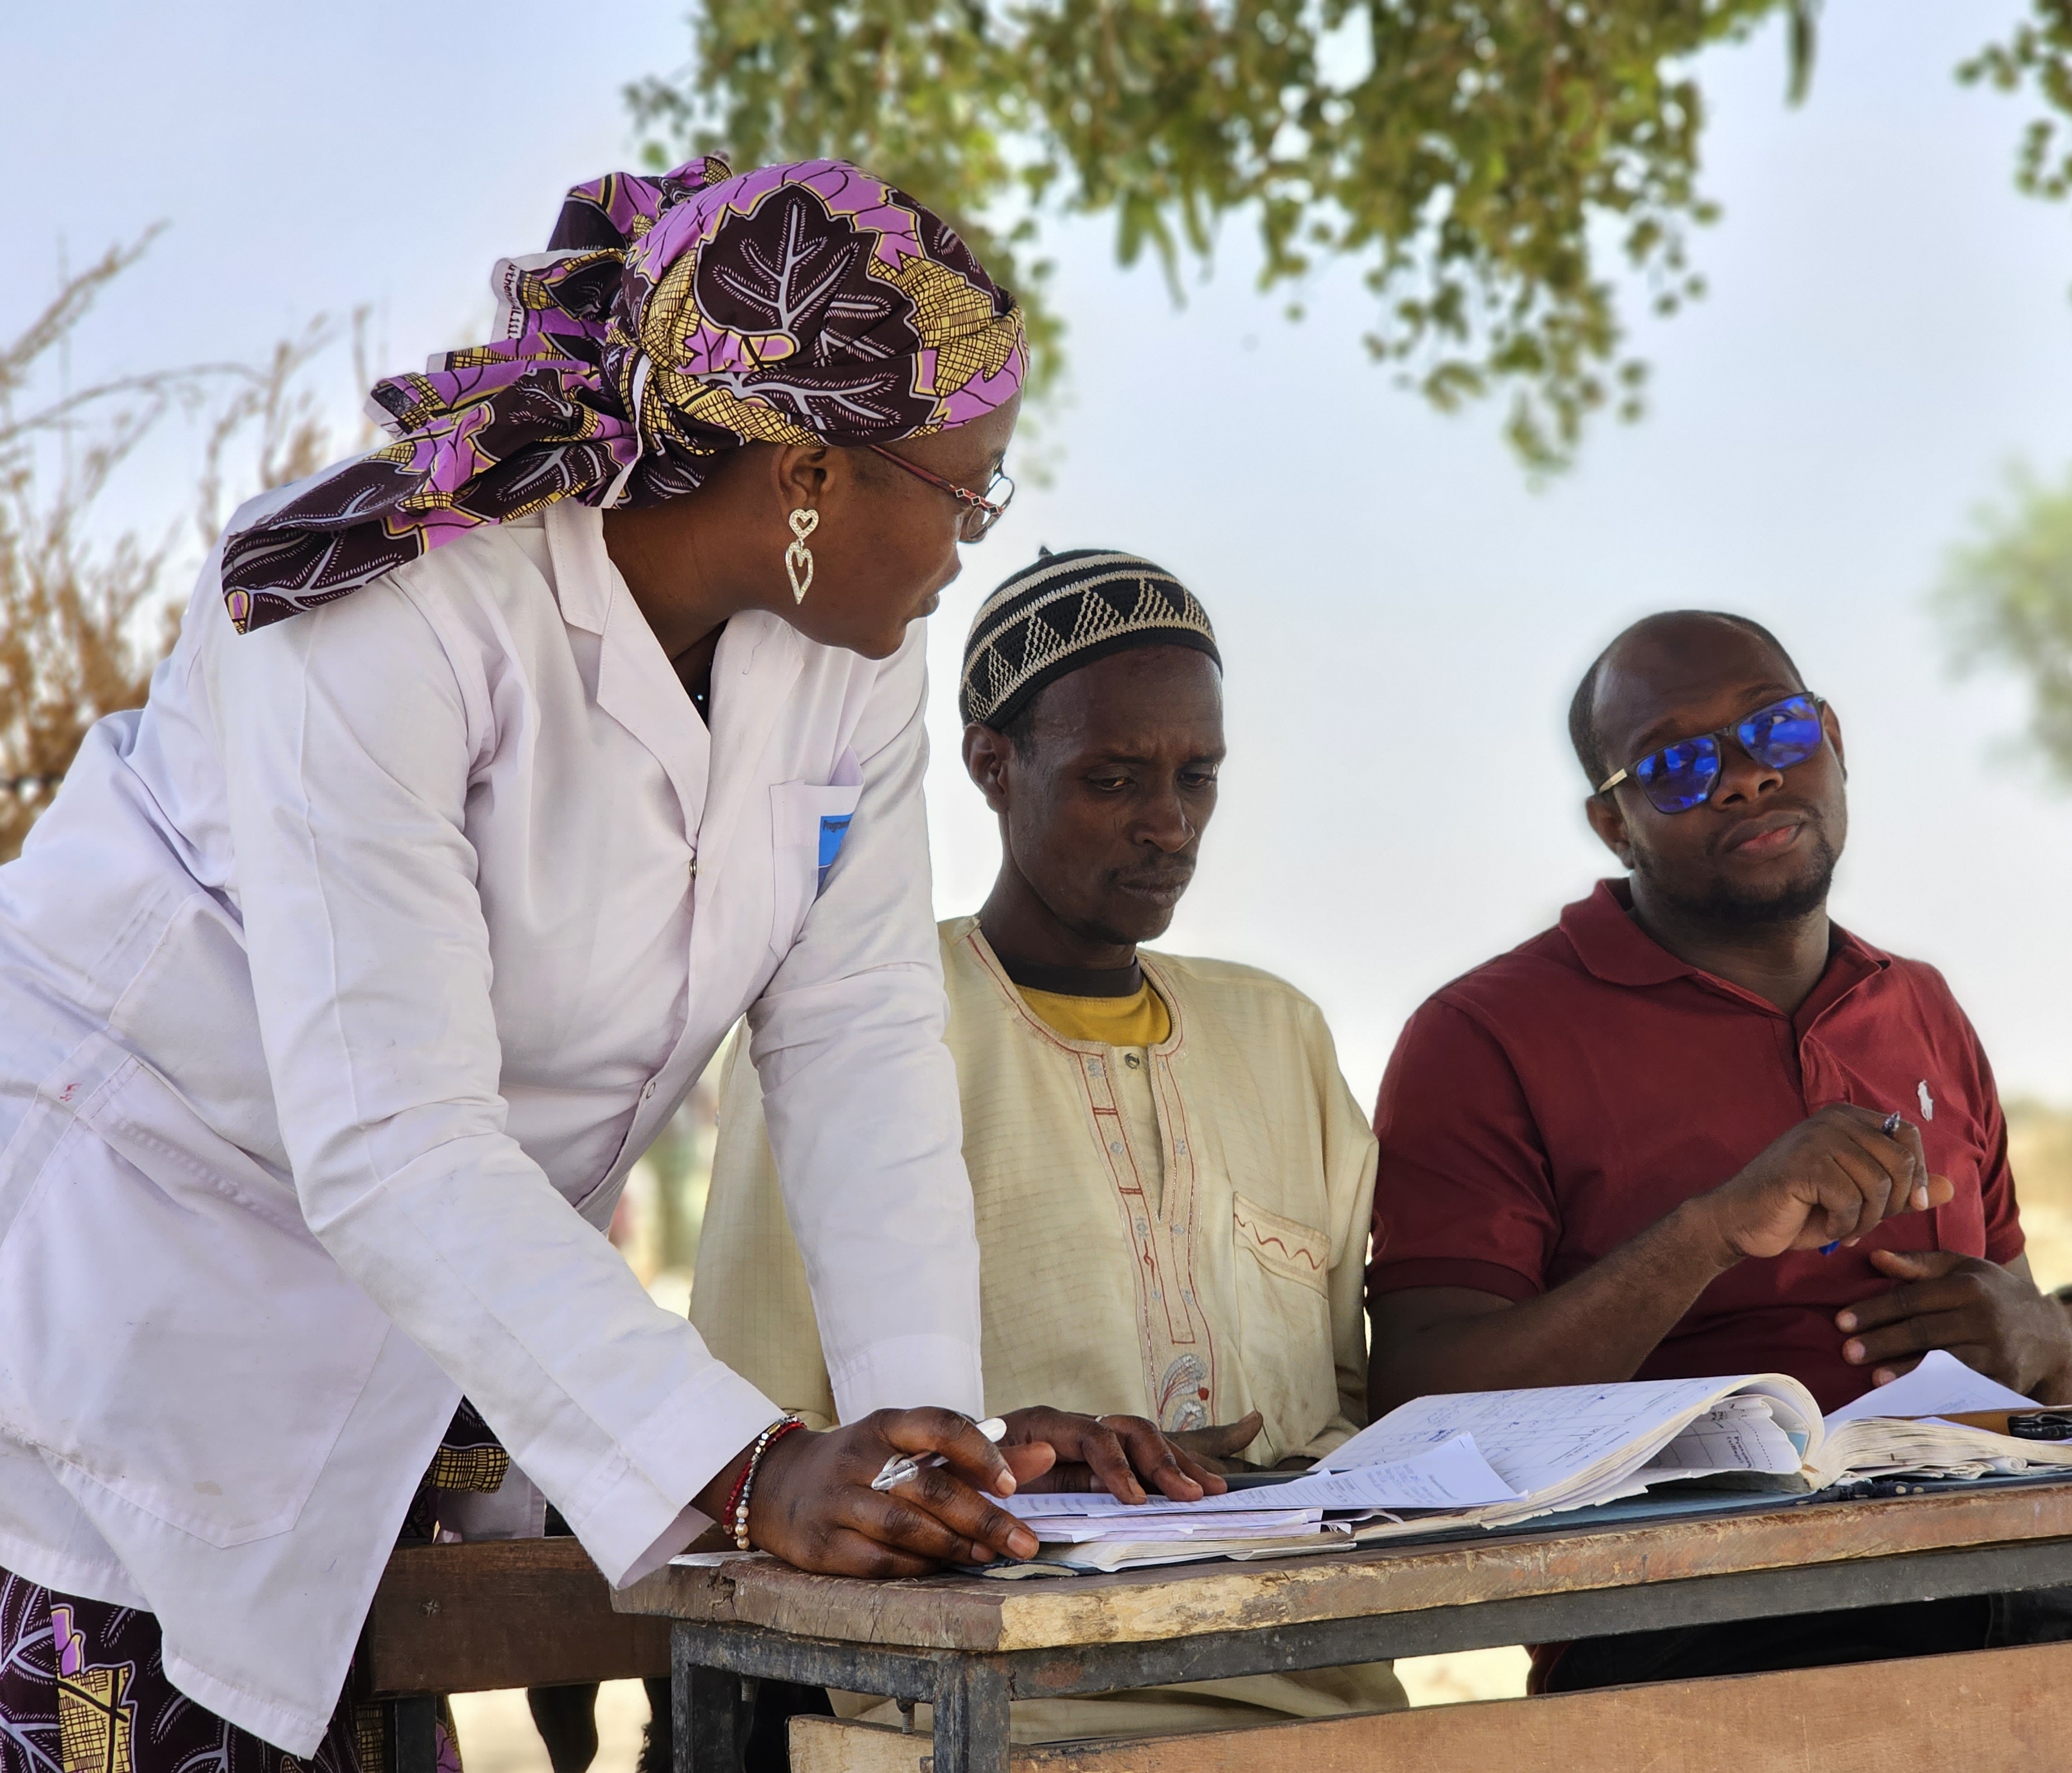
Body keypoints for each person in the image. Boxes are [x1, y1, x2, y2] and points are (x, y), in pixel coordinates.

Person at [0, 160, 1222, 1773]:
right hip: (151, 1286)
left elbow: (859, 1044)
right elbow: (389, 1137)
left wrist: (935, 1458)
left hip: (439, 1313)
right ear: (805, 475)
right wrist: (747, 1465)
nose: (966, 548)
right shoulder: (390, 613)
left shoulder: (849, 654)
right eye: (965, 493)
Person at [691, 549, 1408, 1744]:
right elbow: (758, 1422)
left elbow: (1339, 1408)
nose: (1167, 824)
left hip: (1316, 1675)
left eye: (1198, 777)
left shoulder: (1277, 1032)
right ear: (991, 762)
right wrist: (1005, 1460)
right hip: (991, 1692)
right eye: (1112, 779)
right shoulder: (861, 1022)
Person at [1363, 609, 2072, 1691]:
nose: (1747, 779)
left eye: (1778, 731)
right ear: (1614, 826)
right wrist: (1709, 1234)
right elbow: (1423, 1409)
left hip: (2021, 1585)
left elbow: (2033, 1347)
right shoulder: (1485, 1035)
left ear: (1835, 741)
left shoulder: (1923, 1008)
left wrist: (2037, 1341)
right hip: (1709, 1626)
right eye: (1677, 764)